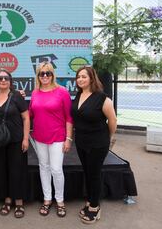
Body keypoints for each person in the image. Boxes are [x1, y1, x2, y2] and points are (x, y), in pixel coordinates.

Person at [71, 66, 117, 224]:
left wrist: (109, 137)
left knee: (94, 174)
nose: (80, 79)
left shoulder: (103, 98)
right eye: (78, 77)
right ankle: (91, 200)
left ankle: (94, 208)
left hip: (98, 143)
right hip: (82, 141)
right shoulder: (78, 95)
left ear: (92, 78)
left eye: (84, 76)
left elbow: (112, 120)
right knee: (87, 172)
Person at [29, 62, 73, 218]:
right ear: (38, 76)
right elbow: (30, 115)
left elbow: (69, 118)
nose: (45, 76)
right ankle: (47, 199)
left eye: (48, 73)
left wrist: (68, 138)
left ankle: (59, 201)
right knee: (44, 167)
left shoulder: (62, 92)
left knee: (56, 169)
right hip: (40, 137)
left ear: (53, 74)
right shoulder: (35, 93)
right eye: (42, 73)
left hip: (57, 137)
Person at [0, 69, 30, 218]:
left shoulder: (17, 96)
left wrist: (25, 139)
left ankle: (18, 201)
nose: (3, 80)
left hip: (16, 141)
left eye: (6, 78)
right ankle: (7, 199)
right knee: (1, 170)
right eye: (0, 78)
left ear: (10, 81)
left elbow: (26, 118)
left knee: (17, 170)